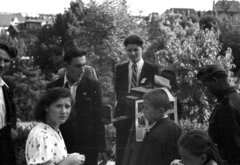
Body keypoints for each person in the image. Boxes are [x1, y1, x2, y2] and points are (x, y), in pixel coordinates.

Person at [47, 46, 107, 165]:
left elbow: (99, 118)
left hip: (88, 148)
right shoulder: (53, 87)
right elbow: (48, 119)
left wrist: (101, 148)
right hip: (62, 146)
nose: (82, 70)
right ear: (66, 66)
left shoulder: (93, 86)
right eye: (78, 66)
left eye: (84, 65)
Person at [114, 34, 157, 165]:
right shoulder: (119, 69)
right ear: (125, 50)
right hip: (123, 116)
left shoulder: (152, 69)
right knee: (122, 153)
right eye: (129, 50)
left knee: (140, 153)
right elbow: (118, 91)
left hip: (144, 115)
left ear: (141, 49)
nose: (132, 53)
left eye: (136, 50)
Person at [25, 87, 85, 165]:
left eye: (67, 106)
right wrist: (68, 162)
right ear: (46, 107)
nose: (63, 111)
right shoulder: (42, 135)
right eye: (58, 106)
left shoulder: (53, 130)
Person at [197, 65, 240, 164]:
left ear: (215, 80)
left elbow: (233, 150)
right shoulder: (235, 99)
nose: (207, 90)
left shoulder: (227, 106)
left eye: (207, 85)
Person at [134, 88, 181, 165]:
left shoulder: (154, 135)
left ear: (160, 111)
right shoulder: (175, 127)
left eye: (146, 108)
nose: (143, 111)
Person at [0, 40, 18, 165]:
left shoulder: (7, 84)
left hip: (3, 138)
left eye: (6, 61)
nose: (2, 65)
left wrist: (12, 126)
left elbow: (12, 107)